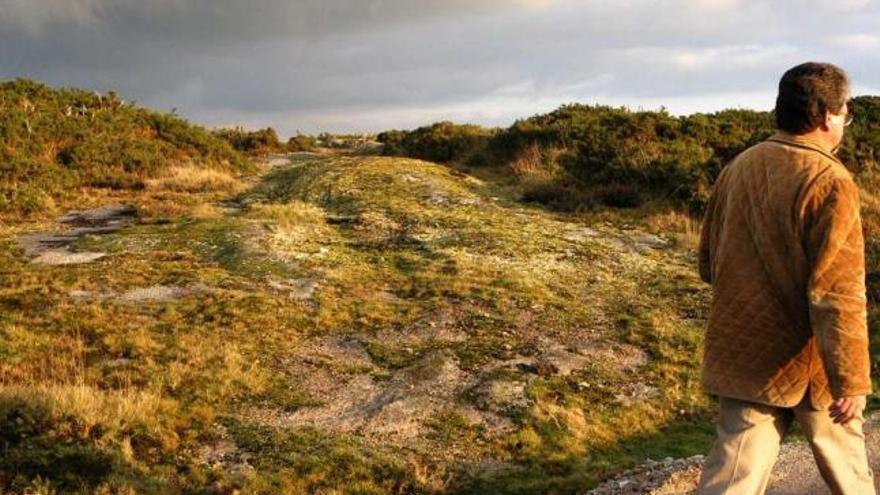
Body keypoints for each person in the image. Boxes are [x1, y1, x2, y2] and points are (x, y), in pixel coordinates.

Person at [695, 62, 875, 494]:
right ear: (826, 116)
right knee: (852, 480)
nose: (845, 123)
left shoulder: (738, 167)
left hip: (745, 353)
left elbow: (707, 263)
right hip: (812, 366)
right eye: (845, 113)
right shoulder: (830, 179)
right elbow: (838, 293)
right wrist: (850, 380)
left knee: (730, 480)